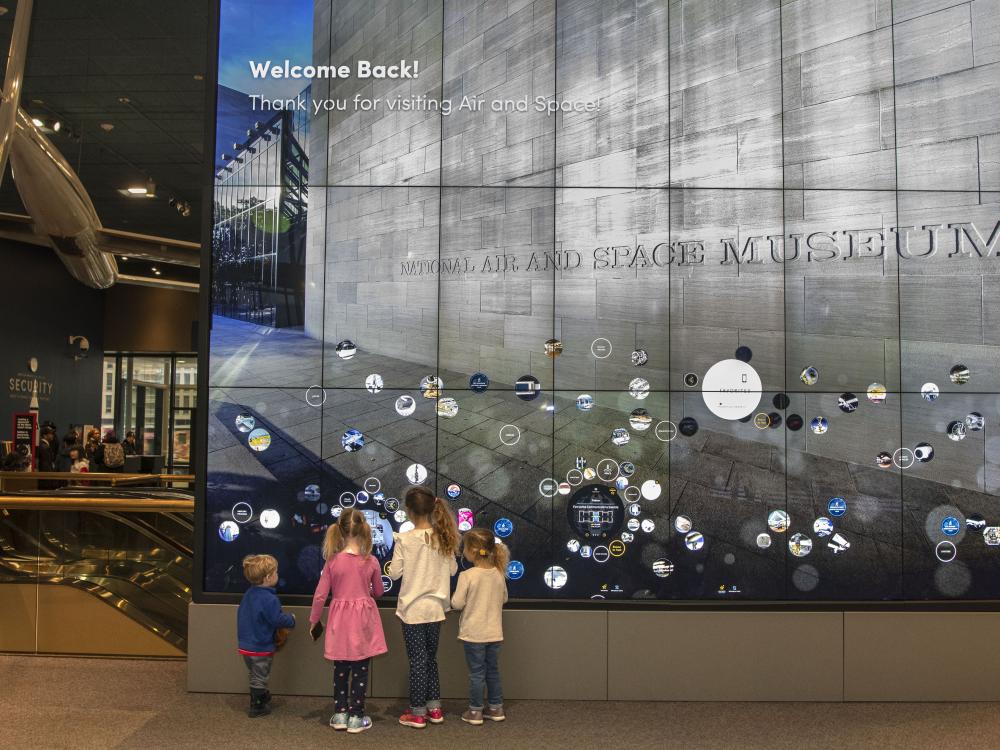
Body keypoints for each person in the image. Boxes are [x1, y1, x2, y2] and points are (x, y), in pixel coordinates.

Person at [308, 508, 387, 734]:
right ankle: (357, 717)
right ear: (364, 531)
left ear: (340, 532)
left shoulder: (332, 561)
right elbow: (379, 592)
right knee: (360, 669)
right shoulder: (371, 561)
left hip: (339, 622)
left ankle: (340, 713)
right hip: (363, 622)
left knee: (340, 669)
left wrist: (314, 620)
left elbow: (320, 594)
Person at [387, 486, 459, 729]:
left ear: (409, 511)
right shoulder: (443, 538)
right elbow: (452, 570)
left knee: (417, 661)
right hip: (436, 610)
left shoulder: (404, 539)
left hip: (413, 611)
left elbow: (395, 573)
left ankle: (417, 712)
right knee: (431, 660)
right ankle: (434, 708)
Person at [451, 528, 510, 725]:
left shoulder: (467, 576)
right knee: (492, 671)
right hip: (495, 634)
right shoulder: (499, 574)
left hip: (473, 635)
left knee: (477, 673)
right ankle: (496, 708)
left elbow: (457, 604)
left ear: (472, 550)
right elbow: (504, 599)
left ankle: (475, 711)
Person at [237, 554, 296, 718]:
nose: (278, 575)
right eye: (276, 572)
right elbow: (276, 619)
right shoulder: (270, 599)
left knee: (255, 674)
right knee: (260, 676)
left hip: (246, 645)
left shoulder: (248, 594)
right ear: (268, 577)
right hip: (261, 646)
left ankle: (260, 695)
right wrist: (291, 619)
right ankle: (257, 706)